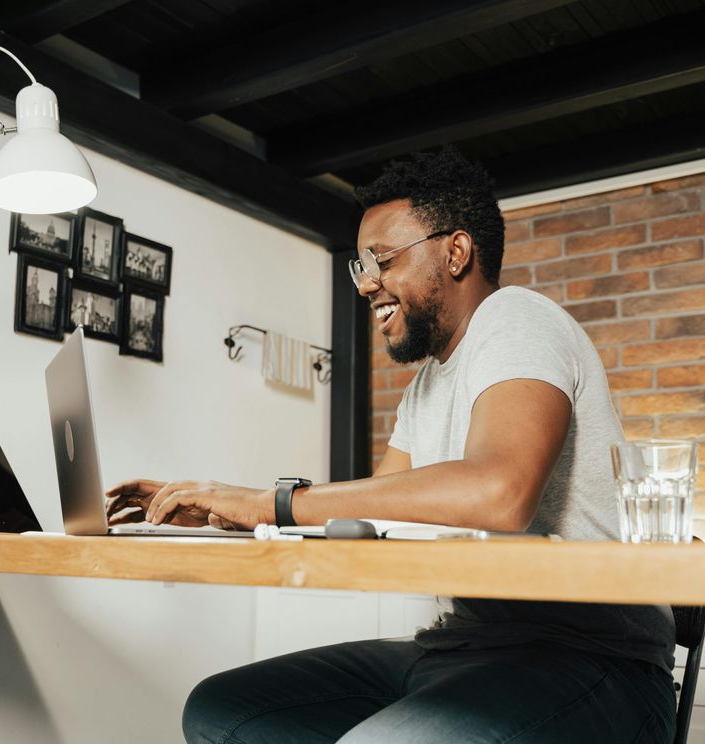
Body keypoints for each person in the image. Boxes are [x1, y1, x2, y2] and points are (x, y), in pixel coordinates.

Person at [106, 147, 676, 743]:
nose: (367, 284)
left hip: (593, 662)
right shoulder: (426, 387)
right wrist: (229, 515)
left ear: (455, 252)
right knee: (224, 711)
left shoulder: (517, 320)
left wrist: (269, 502)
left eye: (381, 260)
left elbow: (501, 491)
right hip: (462, 648)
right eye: (360, 267)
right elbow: (372, 518)